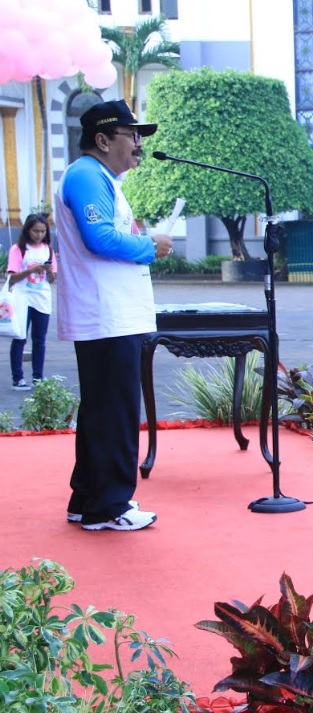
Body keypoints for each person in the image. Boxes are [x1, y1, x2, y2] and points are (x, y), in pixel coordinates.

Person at [54, 99, 172, 532]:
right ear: (102, 140)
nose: (139, 145)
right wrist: (149, 247)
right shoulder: (87, 174)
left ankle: (87, 499)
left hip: (109, 313)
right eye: (132, 135)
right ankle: (109, 506)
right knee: (116, 412)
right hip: (106, 315)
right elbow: (99, 237)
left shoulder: (99, 176)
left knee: (104, 410)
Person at [7, 213, 56, 390]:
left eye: (43, 231)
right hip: (22, 298)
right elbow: (11, 278)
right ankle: (18, 378)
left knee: (40, 340)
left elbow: (51, 279)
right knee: (20, 337)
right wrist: (32, 270)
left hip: (42, 299)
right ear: (28, 230)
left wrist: (49, 272)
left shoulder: (48, 249)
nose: (39, 235)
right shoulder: (18, 249)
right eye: (36, 231)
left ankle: (38, 377)